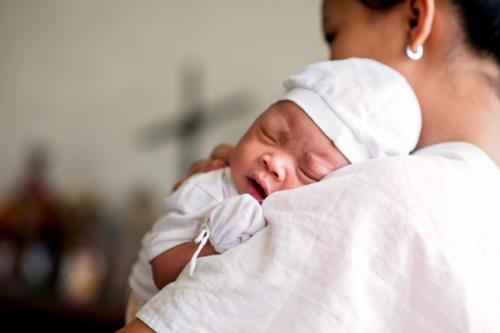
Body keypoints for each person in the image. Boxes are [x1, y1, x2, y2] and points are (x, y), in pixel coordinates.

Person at [119, 0, 500, 331]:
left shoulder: (372, 200)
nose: (331, 62)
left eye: (333, 36)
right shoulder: (480, 205)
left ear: (415, 19)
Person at [125, 58, 421, 323]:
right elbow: (162, 270)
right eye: (268, 134)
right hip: (147, 310)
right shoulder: (209, 188)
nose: (274, 161)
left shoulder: (313, 231)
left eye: (308, 171)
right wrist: (216, 246)